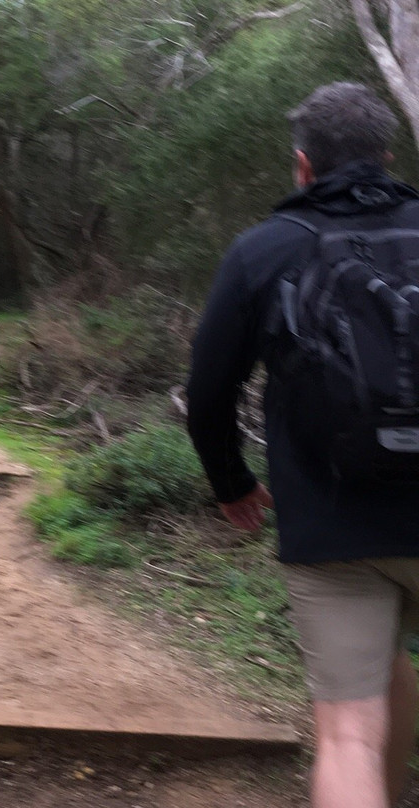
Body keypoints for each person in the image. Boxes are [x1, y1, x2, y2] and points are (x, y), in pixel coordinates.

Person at [187, 82, 419, 808]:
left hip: (332, 524)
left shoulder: (264, 249)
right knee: (384, 668)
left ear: (303, 165)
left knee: (349, 734)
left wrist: (231, 483)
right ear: (387, 157)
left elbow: (208, 394)